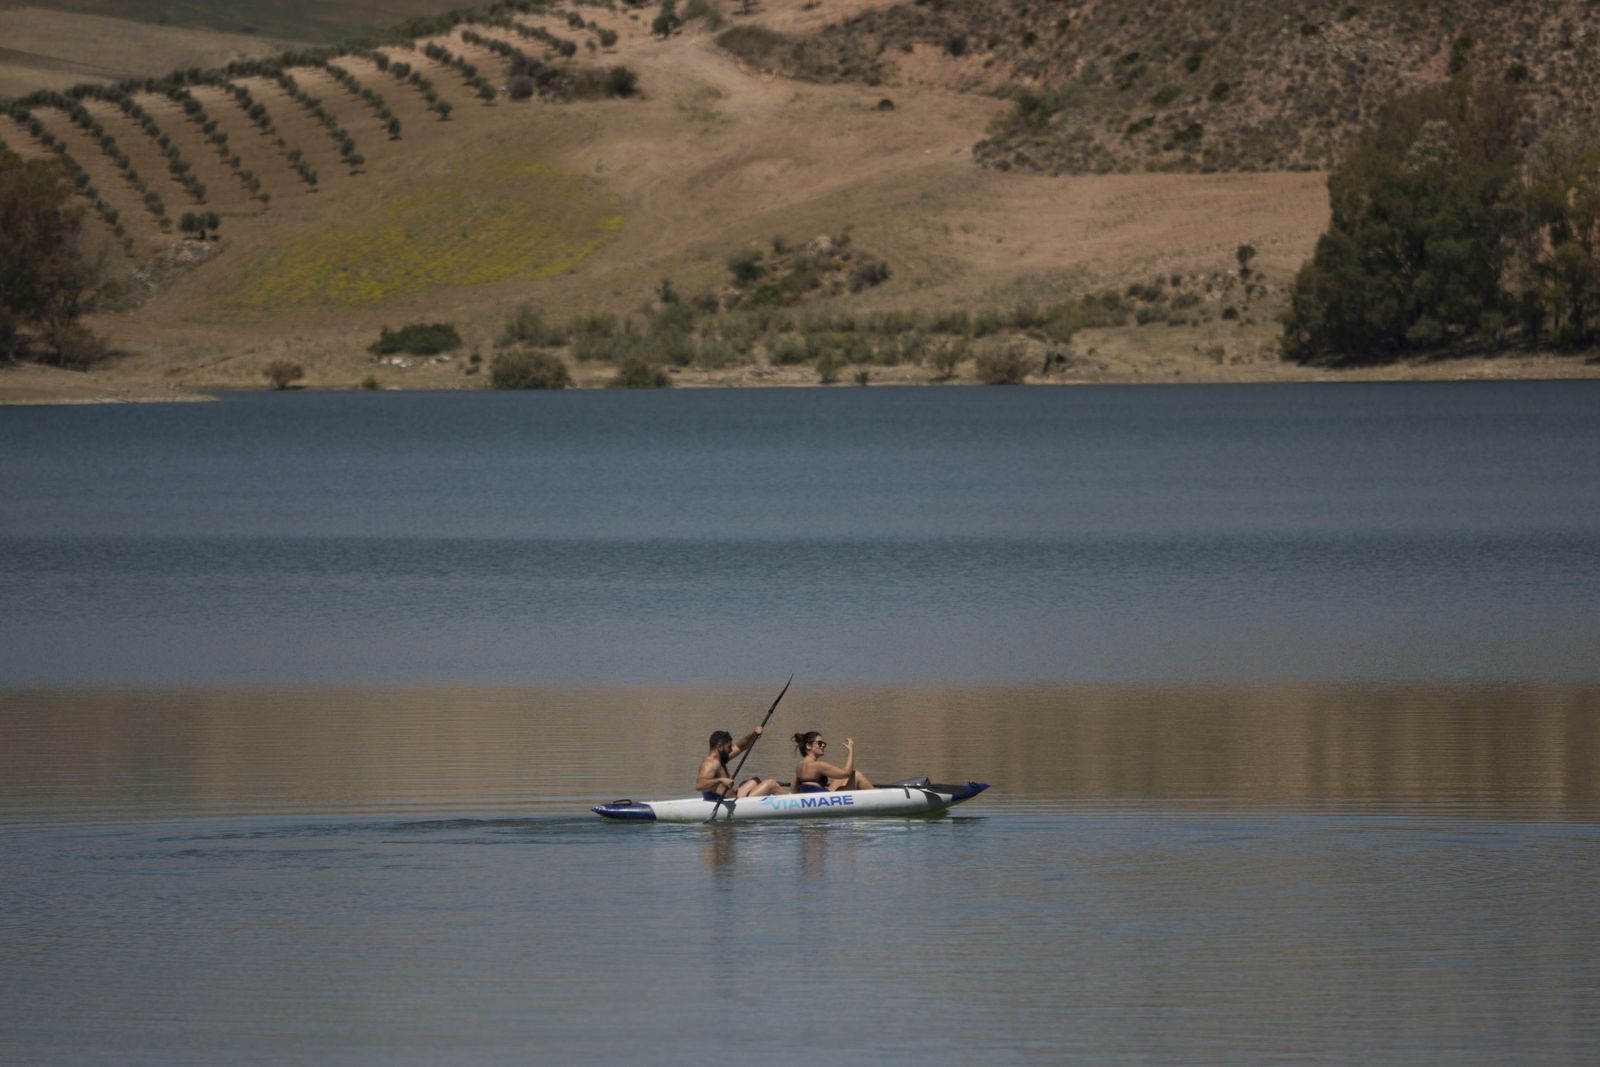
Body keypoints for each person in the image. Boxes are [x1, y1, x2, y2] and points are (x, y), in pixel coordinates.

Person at [697, 727, 782, 801]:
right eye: (729, 747)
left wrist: (753, 735)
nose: (731, 750)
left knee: (755, 781)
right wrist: (720, 780)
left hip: (731, 798)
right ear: (720, 746)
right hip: (722, 802)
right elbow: (700, 785)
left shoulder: (720, 758)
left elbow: (739, 746)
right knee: (771, 784)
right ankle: (792, 800)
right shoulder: (710, 764)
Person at [792, 731, 875, 792]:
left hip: (813, 799)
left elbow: (794, 791)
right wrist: (851, 750)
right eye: (820, 743)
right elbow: (846, 773)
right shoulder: (818, 765)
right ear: (808, 745)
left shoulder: (798, 767)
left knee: (839, 780)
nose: (823, 745)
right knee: (855, 775)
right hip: (821, 801)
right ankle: (878, 797)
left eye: (824, 743)